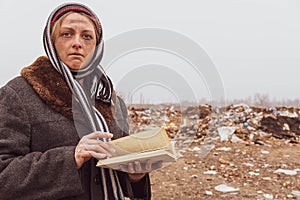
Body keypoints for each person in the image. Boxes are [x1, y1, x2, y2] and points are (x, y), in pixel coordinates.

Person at [0, 3, 160, 200]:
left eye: (87, 36)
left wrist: (135, 175)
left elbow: (118, 176)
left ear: (97, 46)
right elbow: (4, 174)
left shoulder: (111, 101)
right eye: (67, 34)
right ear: (51, 41)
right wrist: (70, 158)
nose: (77, 43)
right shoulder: (19, 94)